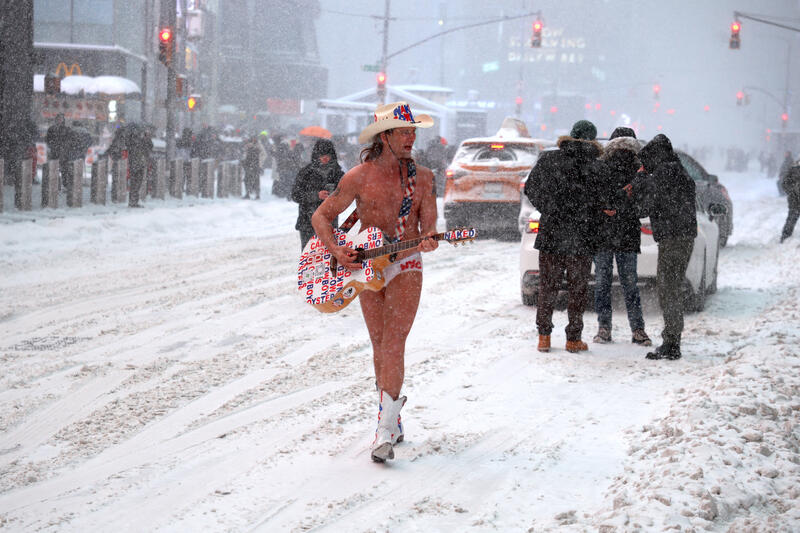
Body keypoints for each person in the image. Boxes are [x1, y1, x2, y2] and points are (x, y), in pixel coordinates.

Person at [310, 101, 438, 463]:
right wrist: (336, 250)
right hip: (367, 267)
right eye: (404, 132)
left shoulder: (424, 178)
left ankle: (382, 431)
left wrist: (428, 238)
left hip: (406, 263)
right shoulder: (358, 177)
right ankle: (393, 419)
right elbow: (322, 216)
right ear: (385, 137)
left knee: (394, 340)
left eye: (414, 131)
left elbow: (429, 224)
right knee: (379, 343)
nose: (411, 138)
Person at [524, 119, 603, 354]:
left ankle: (544, 337)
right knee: (578, 289)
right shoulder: (595, 164)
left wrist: (548, 207)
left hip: (552, 233)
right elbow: (601, 199)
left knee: (548, 286)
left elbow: (531, 188)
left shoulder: (549, 159)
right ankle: (573, 339)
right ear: (592, 139)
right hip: (582, 235)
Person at [628, 133, 696, 361]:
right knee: (671, 287)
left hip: (673, 237)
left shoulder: (665, 173)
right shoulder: (676, 170)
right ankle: (672, 339)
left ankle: (672, 343)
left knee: (669, 289)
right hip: (681, 236)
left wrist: (639, 180)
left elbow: (644, 207)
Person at [593, 127, 652, 347]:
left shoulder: (599, 166)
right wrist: (624, 209)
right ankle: (638, 330)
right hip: (627, 234)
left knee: (602, 283)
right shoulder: (639, 169)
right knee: (630, 284)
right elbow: (643, 207)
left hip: (603, 234)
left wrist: (604, 209)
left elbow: (591, 197)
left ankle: (604, 328)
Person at [291, 138, 344, 249]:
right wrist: (315, 195)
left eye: (328, 154)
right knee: (309, 257)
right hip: (307, 223)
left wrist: (336, 196)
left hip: (330, 222)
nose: (325, 158)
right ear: (316, 155)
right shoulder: (306, 173)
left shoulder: (338, 174)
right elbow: (295, 195)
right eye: (322, 154)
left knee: (330, 256)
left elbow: (346, 195)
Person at [127, 125, 153, 207]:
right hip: (139, 164)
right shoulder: (141, 141)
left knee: (134, 183)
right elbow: (150, 147)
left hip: (134, 164)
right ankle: (133, 201)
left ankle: (132, 201)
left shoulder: (132, 141)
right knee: (137, 183)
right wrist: (147, 137)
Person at [45, 113, 72, 189]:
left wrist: (64, 147)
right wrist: (51, 146)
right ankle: (54, 185)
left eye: (61, 118)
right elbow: (48, 139)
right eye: (58, 118)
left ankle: (65, 185)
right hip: (54, 151)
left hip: (63, 152)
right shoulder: (51, 129)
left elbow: (69, 140)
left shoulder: (66, 129)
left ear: (63, 120)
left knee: (64, 169)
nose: (59, 120)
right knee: (54, 168)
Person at [780, 161, 800, 243]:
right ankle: (785, 238)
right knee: (791, 219)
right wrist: (792, 192)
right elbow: (784, 184)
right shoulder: (793, 170)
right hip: (794, 201)